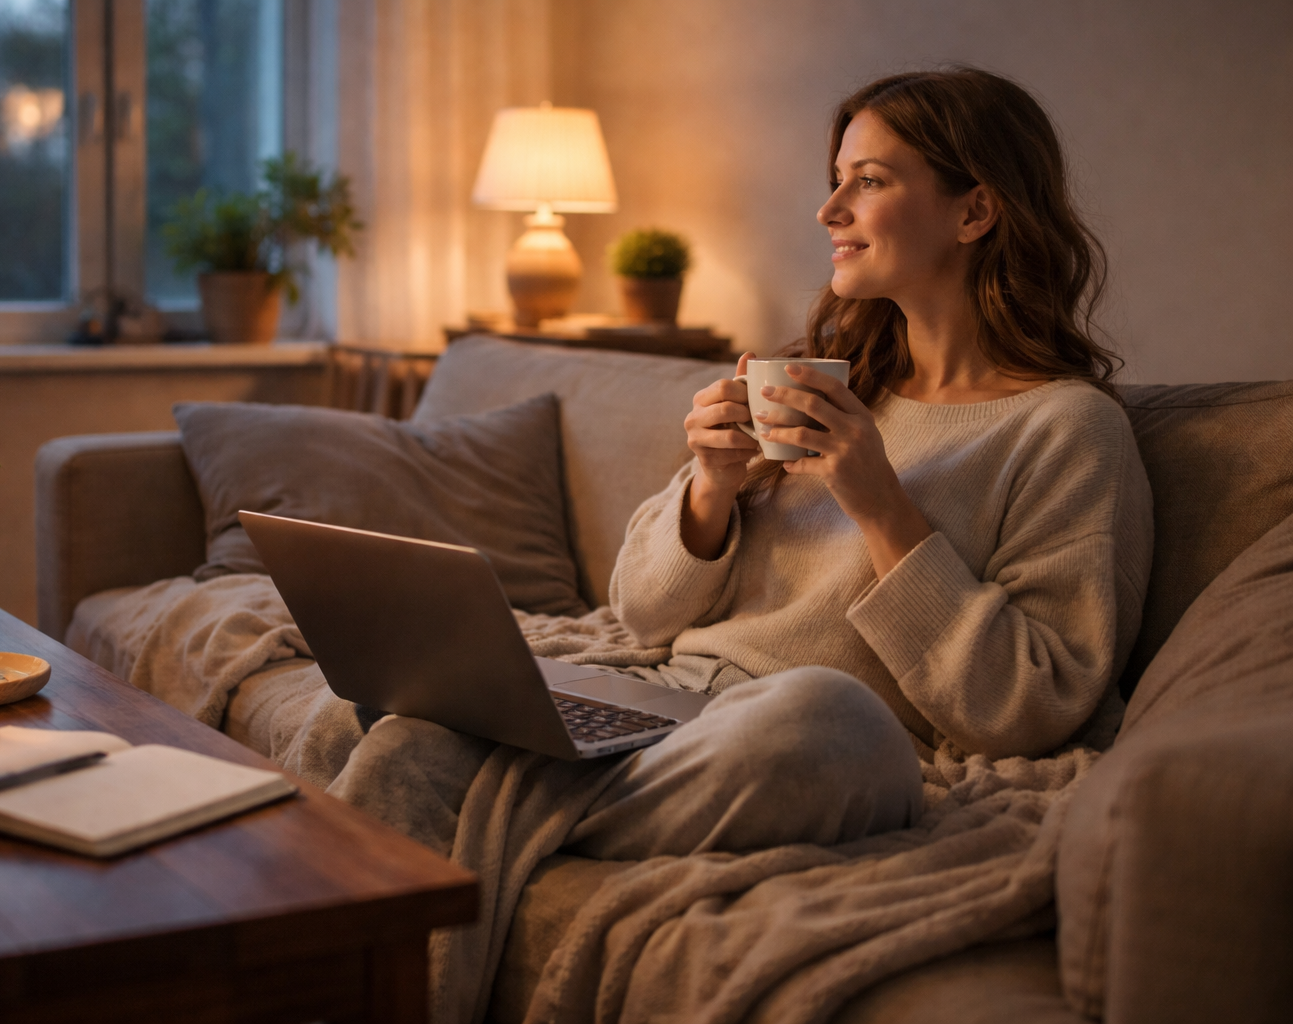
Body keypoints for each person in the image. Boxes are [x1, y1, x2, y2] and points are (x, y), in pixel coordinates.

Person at [338, 67, 1152, 862]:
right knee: (420, 708)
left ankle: (504, 803)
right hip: (677, 706)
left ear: (975, 211)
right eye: (837, 181)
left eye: (867, 181)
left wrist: (879, 505)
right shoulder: (819, 380)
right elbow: (643, 615)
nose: (829, 209)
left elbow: (1031, 707)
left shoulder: (1067, 429)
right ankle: (530, 803)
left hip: (809, 738)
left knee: (827, 720)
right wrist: (710, 488)